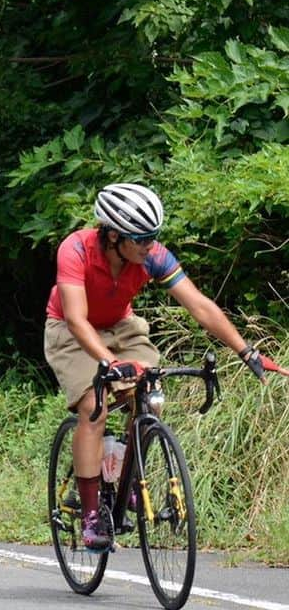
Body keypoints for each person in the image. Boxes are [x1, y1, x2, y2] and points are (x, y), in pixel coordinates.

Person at [44, 182, 284, 551]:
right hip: (70, 329)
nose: (148, 245)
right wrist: (109, 362)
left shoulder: (152, 256)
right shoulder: (75, 249)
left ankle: (125, 480)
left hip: (122, 325)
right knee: (95, 406)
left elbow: (199, 305)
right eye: (140, 238)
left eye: (152, 237)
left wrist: (245, 351)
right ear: (112, 235)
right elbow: (77, 318)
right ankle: (92, 513)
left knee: (150, 396)